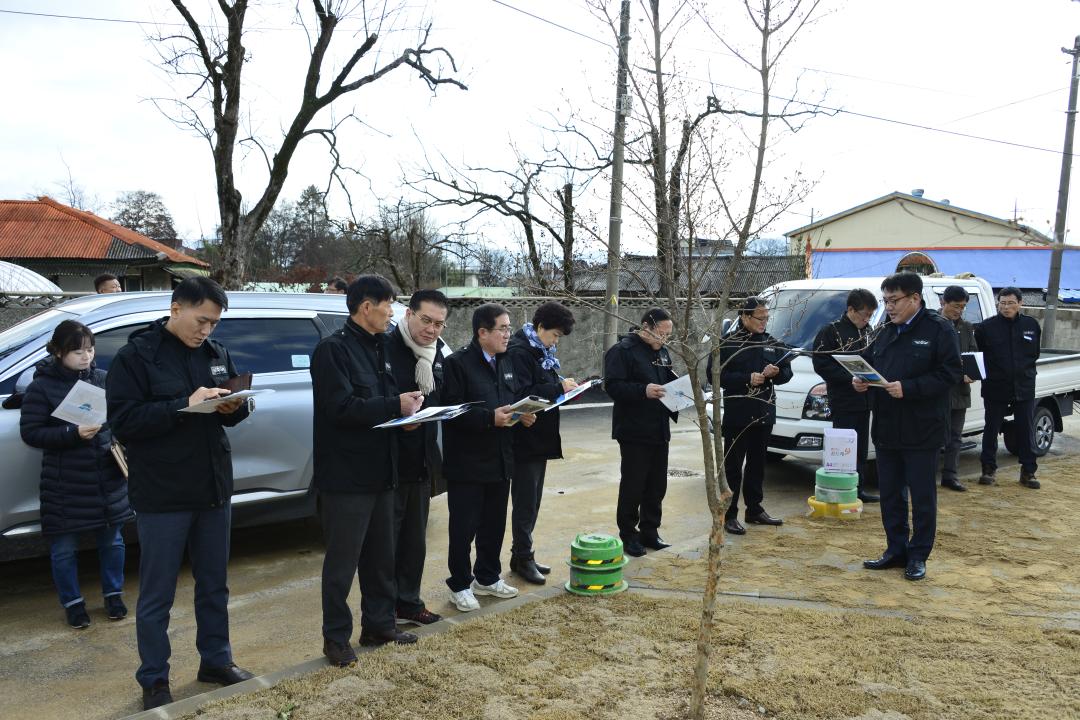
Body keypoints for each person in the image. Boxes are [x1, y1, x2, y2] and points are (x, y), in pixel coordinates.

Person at [106, 277, 253, 710]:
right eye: (201, 320)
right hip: (163, 492)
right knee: (158, 593)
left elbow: (228, 415)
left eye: (214, 323)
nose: (206, 330)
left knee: (214, 584)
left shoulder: (215, 353)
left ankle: (216, 660)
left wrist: (236, 405)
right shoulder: (137, 356)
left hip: (212, 486)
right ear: (176, 308)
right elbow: (124, 422)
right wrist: (182, 405)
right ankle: (154, 679)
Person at [310, 275, 423, 668]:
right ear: (366, 307)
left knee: (380, 558)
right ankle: (336, 638)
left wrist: (406, 417)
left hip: (383, 470)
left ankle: (379, 625)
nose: (392, 312)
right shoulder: (332, 350)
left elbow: (383, 406)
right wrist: (395, 406)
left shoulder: (383, 347)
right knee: (342, 564)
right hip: (346, 476)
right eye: (388, 304)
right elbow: (339, 408)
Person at [20, 320, 133, 629]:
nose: (86, 356)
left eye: (90, 349)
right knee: (63, 549)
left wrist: (112, 429)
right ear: (58, 352)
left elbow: (121, 418)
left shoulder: (103, 379)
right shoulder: (41, 386)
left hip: (105, 475)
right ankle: (73, 604)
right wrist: (72, 433)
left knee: (113, 542)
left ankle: (114, 596)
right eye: (77, 351)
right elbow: (31, 433)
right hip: (64, 480)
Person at [857, 272, 961, 582]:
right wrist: (861, 379)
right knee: (890, 494)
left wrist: (910, 388)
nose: (888, 307)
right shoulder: (886, 330)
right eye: (885, 301)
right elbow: (869, 361)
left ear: (915, 298)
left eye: (894, 300)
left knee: (922, 497)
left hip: (922, 429)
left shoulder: (939, 329)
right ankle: (896, 550)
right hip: (887, 427)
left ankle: (918, 555)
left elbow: (950, 374)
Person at [440, 303, 536, 612]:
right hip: (467, 463)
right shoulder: (457, 364)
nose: (508, 334)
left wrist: (522, 415)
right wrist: (488, 418)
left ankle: (488, 577)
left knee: (494, 524)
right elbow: (451, 413)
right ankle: (459, 584)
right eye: (502, 329)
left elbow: (511, 401)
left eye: (509, 328)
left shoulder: (506, 362)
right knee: (463, 528)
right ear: (482, 332)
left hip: (500, 458)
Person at [385, 289, 450, 626]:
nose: (432, 329)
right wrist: (400, 416)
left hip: (422, 459)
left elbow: (439, 397)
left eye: (439, 324)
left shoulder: (435, 354)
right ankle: (382, 612)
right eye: (426, 320)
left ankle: (409, 603)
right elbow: (377, 402)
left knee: (415, 541)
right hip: (390, 462)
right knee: (386, 544)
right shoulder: (385, 348)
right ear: (408, 314)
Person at [505, 301, 578, 585]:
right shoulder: (520, 351)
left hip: (539, 438)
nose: (556, 341)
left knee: (532, 501)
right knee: (525, 503)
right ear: (540, 327)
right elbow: (524, 393)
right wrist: (558, 387)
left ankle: (522, 555)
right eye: (555, 335)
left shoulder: (540, 351)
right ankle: (523, 557)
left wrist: (566, 389)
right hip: (525, 439)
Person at [711, 296, 794, 535]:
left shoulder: (771, 342)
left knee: (758, 464)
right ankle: (729, 514)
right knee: (733, 467)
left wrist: (777, 373)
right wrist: (747, 378)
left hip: (764, 412)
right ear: (745, 316)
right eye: (760, 318)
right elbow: (715, 376)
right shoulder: (728, 343)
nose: (764, 322)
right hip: (739, 413)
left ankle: (755, 509)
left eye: (767, 318)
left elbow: (787, 372)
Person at [604, 308, 678, 558]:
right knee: (633, 484)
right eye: (661, 333)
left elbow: (668, 381)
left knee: (657, 484)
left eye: (668, 335)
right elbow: (613, 386)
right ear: (646, 327)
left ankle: (650, 531)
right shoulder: (623, 351)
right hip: (634, 429)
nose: (664, 339)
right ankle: (628, 534)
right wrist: (642, 391)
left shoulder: (663, 352)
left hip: (659, 427)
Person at [811, 289, 880, 503]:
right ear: (851, 309)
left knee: (860, 448)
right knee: (842, 448)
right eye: (865, 314)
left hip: (865, 399)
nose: (867, 320)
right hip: (843, 400)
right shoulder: (831, 331)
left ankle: (857, 488)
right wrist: (849, 379)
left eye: (870, 316)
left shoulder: (868, 331)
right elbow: (821, 364)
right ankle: (840, 489)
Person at [974, 286, 1042, 489]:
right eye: (1002, 303)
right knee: (991, 428)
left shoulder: (1031, 325)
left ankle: (1028, 471)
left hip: (1024, 385)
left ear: (1020, 303)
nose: (1006, 307)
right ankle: (988, 469)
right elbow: (980, 357)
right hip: (996, 386)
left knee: (1025, 428)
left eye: (1011, 303)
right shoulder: (986, 328)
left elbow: (1034, 354)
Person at [939, 285, 978, 492]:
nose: (959, 311)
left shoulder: (966, 327)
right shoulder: (933, 323)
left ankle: (950, 475)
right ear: (943, 302)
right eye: (956, 306)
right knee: (934, 436)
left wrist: (971, 373)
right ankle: (925, 475)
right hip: (937, 391)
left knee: (955, 437)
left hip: (960, 391)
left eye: (963, 307)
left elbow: (973, 353)